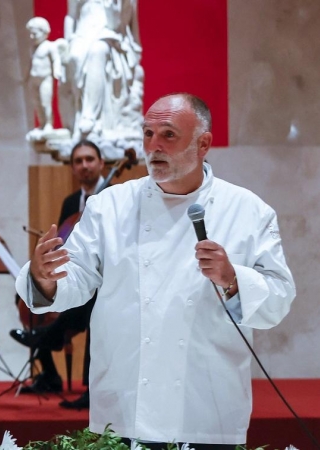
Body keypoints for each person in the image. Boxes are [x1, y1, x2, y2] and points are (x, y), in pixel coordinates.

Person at [16, 93, 295, 447]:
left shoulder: (248, 211)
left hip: (206, 408)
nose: (154, 146)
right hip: (125, 402)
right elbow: (79, 276)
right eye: (148, 134)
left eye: (168, 135)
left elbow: (280, 298)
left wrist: (234, 280)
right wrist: (45, 278)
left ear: (203, 143)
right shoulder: (110, 206)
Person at [10, 140, 103, 408]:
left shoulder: (112, 196)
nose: (84, 166)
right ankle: (49, 374)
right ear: (72, 168)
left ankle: (89, 389)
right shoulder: (71, 201)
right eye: (78, 161)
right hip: (74, 268)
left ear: (101, 164)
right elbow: (65, 239)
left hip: (104, 278)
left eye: (89, 159)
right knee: (25, 291)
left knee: (91, 303)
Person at [57, 0, 144, 154]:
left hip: (109, 35)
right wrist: (68, 40)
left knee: (98, 51)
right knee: (74, 57)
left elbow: (119, 23)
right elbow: (71, 16)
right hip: (81, 35)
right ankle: (79, 121)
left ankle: (89, 117)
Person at [25, 17, 69, 142]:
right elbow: (31, 63)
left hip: (45, 78)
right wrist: (25, 77)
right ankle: (42, 124)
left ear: (45, 32)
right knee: (37, 104)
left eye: (35, 33)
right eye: (30, 34)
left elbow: (56, 60)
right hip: (34, 79)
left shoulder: (50, 46)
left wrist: (57, 71)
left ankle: (49, 124)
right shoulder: (33, 48)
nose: (32, 37)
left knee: (45, 103)